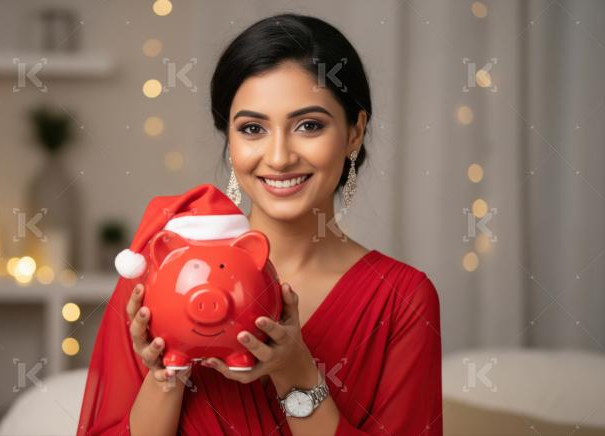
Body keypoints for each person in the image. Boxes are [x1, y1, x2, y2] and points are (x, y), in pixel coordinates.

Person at [78, 13, 442, 436]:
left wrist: (296, 372)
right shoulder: (160, 272)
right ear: (230, 142)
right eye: (252, 128)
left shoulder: (402, 300)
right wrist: (165, 376)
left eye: (309, 125)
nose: (279, 156)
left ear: (354, 133)